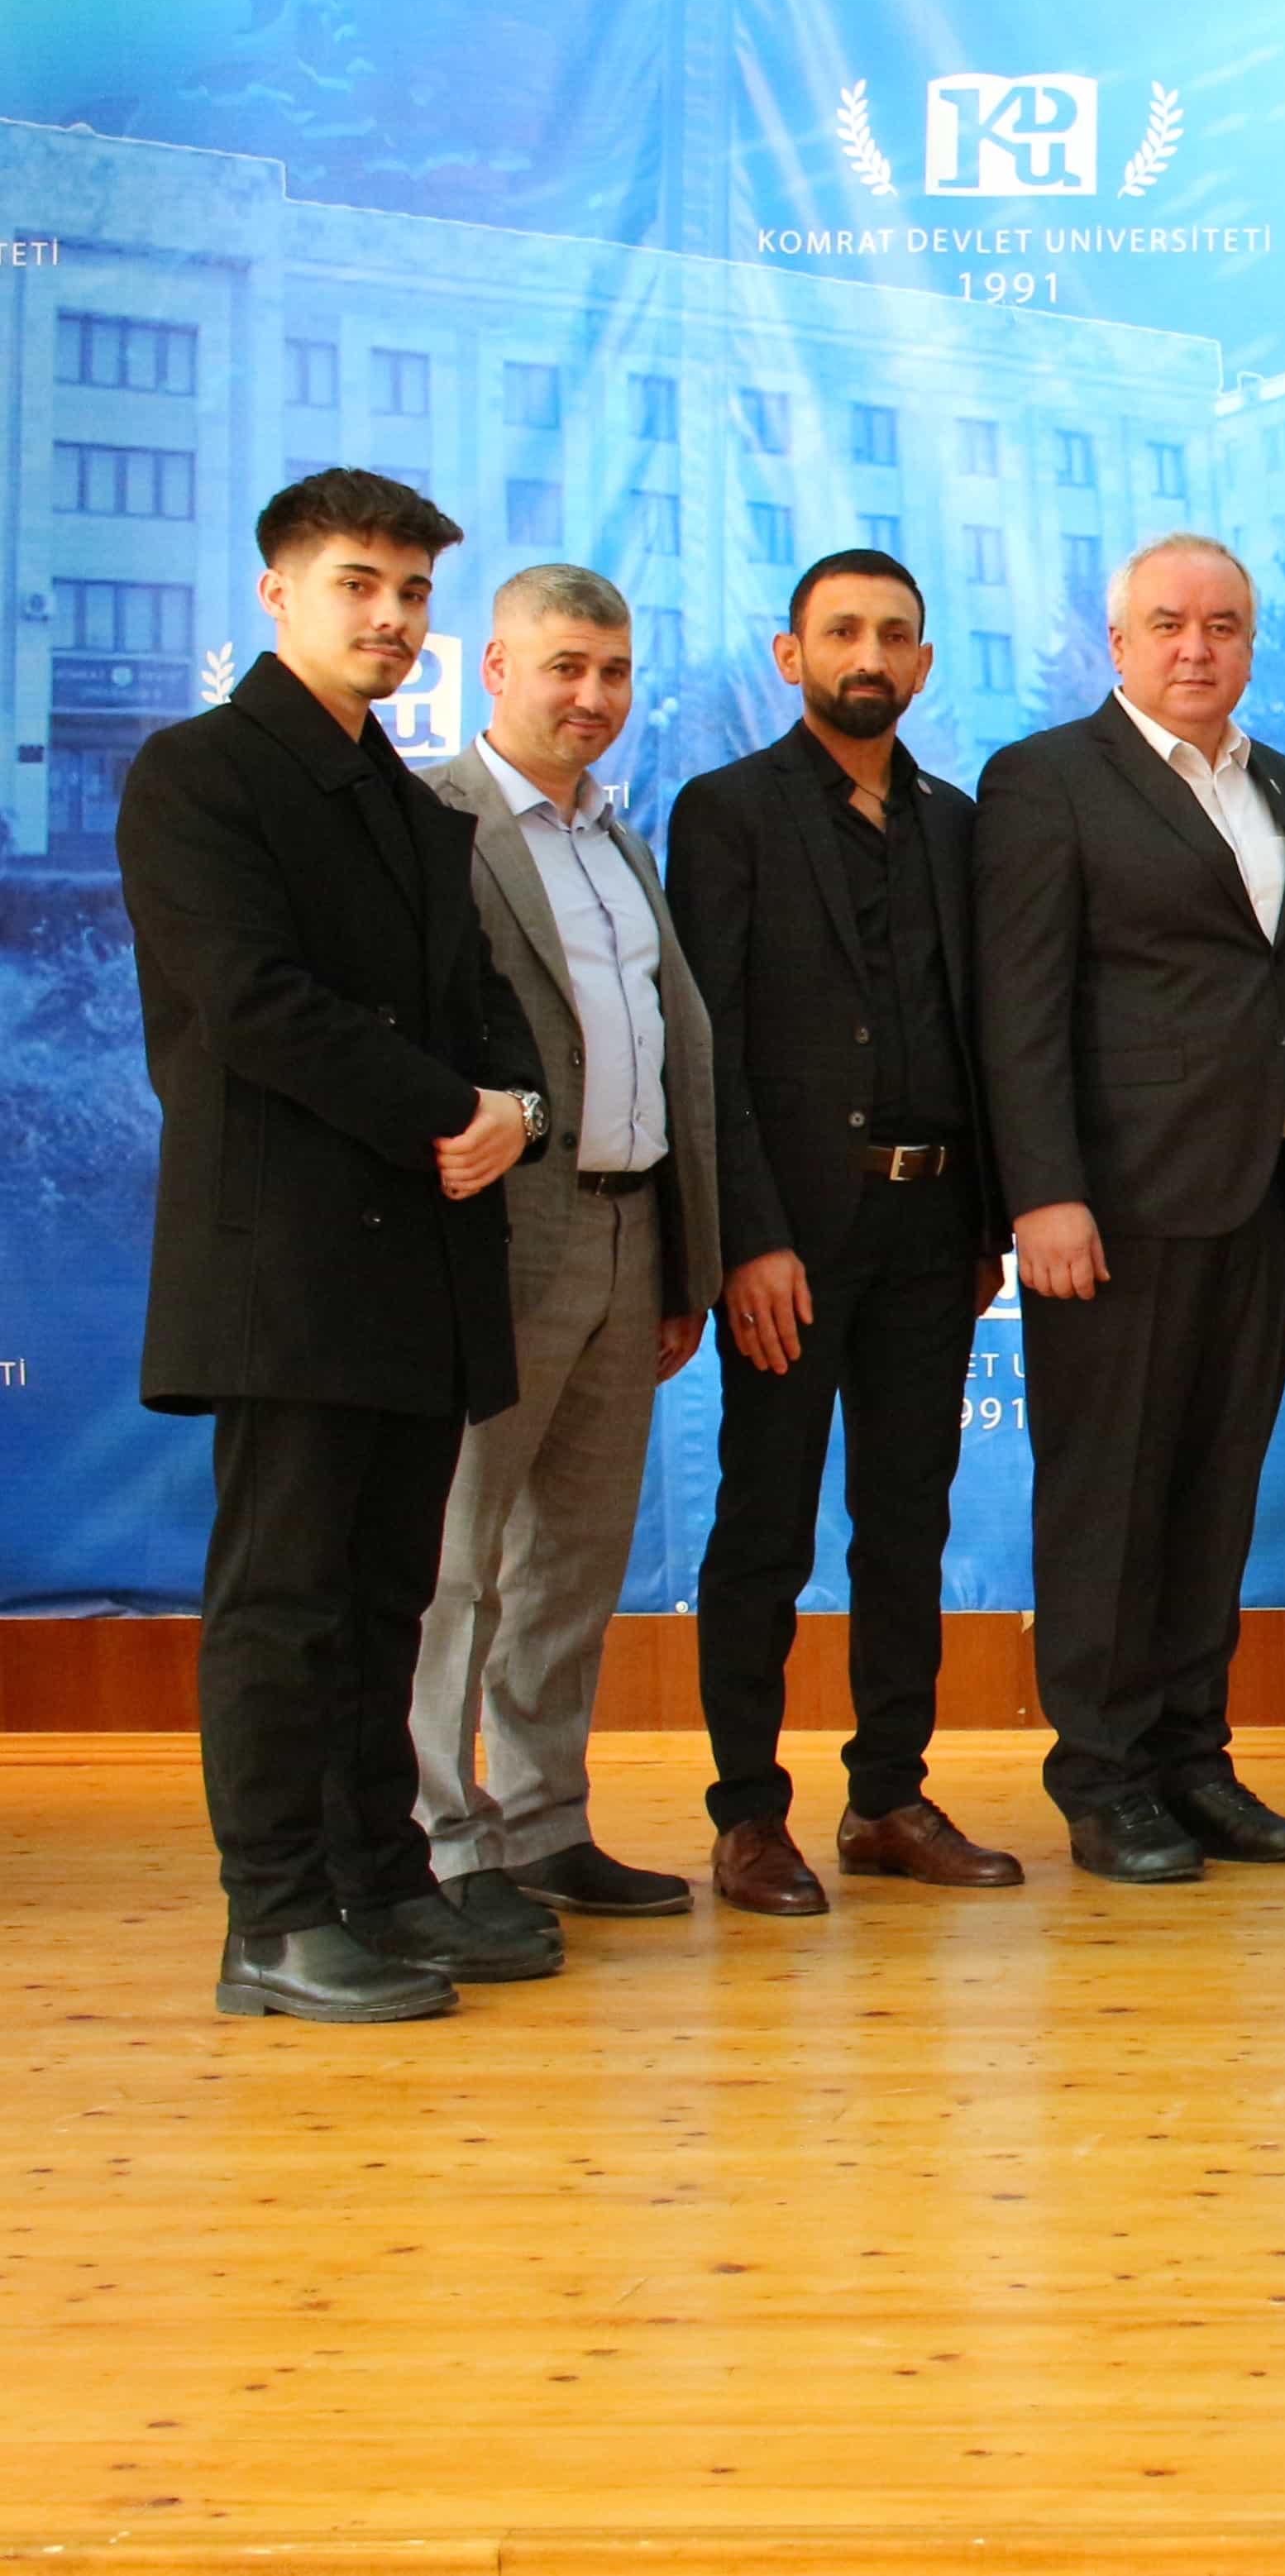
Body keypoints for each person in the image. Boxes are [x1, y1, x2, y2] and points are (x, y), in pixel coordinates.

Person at [118, 467, 548, 2019]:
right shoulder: (198, 773)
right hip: (286, 1259)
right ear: (276, 592)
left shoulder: (416, 806)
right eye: (359, 583)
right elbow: (254, 1005)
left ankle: (383, 1878)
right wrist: (455, 1108)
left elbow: (484, 1004)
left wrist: (519, 1109)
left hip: (420, 1256)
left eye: (414, 591)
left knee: (387, 1599)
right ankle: (275, 1916)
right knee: (285, 1601)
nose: (392, 615)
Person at [665, 548, 1020, 1918]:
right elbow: (707, 1042)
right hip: (792, 1241)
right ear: (791, 653)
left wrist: (986, 1221)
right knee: (764, 1523)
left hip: (936, 1228)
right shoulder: (727, 812)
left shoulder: (958, 821)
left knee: (907, 1520)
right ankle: (749, 1814)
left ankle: (886, 1798)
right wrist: (746, 1237)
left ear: (922, 662)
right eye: (841, 631)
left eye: (892, 635)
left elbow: (984, 1032)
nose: (867, 655)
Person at [975, 534, 1285, 1883]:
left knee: (1212, 1493)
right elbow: (1019, 1005)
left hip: (1256, 1194)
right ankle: (1103, 1773)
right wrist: (1044, 1194)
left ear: (1249, 644)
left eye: (1223, 625)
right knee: (1108, 1497)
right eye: (1169, 623)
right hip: (1113, 1206)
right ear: (1117, 642)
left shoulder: (1277, 781)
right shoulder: (1047, 779)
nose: (1197, 646)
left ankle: (1192, 1757)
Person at [407, 567, 723, 1947]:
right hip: (495, 1238)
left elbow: (668, 1050)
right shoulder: (431, 821)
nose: (593, 695)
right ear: (495, 669)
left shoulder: (618, 835)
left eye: (614, 669)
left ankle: (542, 1822)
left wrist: (683, 1259)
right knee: (455, 1559)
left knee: (575, 1560)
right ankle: (439, 1839)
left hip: (630, 1229)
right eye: (564, 667)